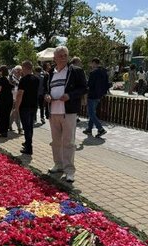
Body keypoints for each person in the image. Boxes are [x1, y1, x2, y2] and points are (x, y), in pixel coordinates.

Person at [45, 46, 88, 183]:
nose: (63, 58)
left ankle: (69, 171)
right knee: (56, 141)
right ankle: (58, 164)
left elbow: (84, 88)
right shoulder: (50, 72)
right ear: (54, 58)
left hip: (68, 112)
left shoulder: (75, 71)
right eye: (60, 55)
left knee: (68, 142)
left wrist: (70, 95)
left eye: (65, 55)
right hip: (53, 112)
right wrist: (46, 95)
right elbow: (45, 89)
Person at [14, 61, 40, 155]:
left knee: (26, 127)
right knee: (30, 127)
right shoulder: (36, 79)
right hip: (34, 105)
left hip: (25, 106)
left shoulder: (23, 80)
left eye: (22, 68)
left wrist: (17, 107)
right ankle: (27, 142)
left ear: (25, 68)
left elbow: (20, 94)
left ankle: (29, 147)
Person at [84, 58, 111, 138]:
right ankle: (89, 129)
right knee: (93, 112)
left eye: (91, 63)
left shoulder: (93, 73)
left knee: (91, 113)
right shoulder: (104, 72)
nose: (91, 65)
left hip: (92, 94)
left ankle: (100, 129)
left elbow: (89, 85)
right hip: (99, 95)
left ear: (94, 63)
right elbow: (107, 84)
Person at [0, 66, 14, 137]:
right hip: (9, 98)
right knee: (7, 115)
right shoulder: (9, 78)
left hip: (3, 99)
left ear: (2, 71)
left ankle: (3, 131)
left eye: (0, 71)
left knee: (2, 115)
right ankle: (5, 131)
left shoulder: (1, 79)